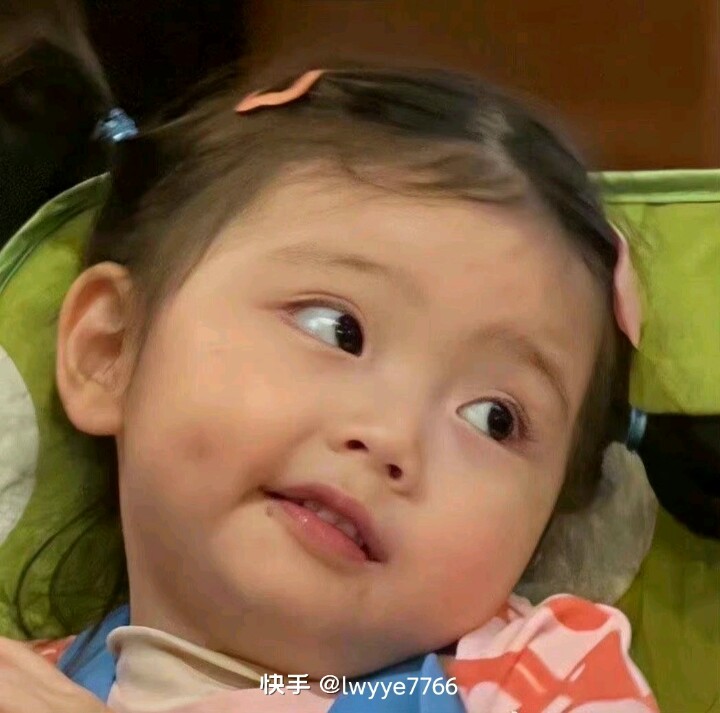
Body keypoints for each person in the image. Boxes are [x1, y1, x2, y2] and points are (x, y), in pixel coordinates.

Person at [0, 14, 659, 713]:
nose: (391, 437)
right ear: (111, 350)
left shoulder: (535, 679)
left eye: (494, 418)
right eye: (337, 330)